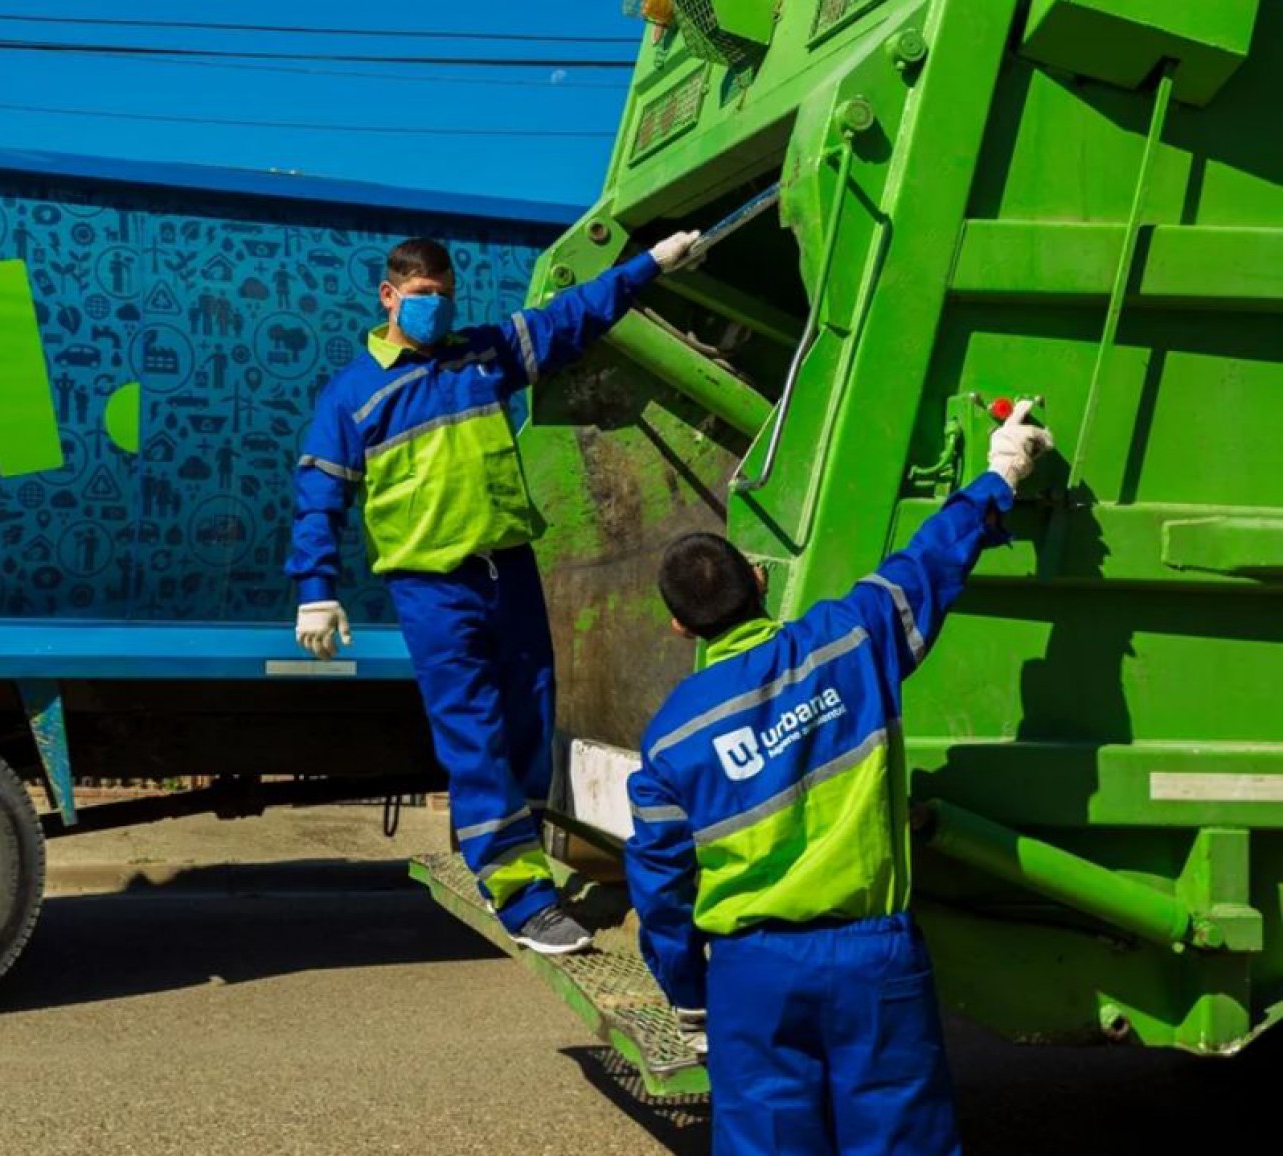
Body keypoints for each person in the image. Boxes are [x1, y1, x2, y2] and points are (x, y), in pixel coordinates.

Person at [624, 402, 1055, 1154]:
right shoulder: (851, 642)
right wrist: (1000, 474)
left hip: (753, 977)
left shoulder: (670, 741)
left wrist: (690, 992)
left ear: (680, 627)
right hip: (873, 962)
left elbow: (660, 885)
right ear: (759, 582)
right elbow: (930, 561)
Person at [286, 229, 701, 954]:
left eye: (445, 296)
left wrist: (649, 266)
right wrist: (315, 590)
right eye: (423, 296)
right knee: (474, 734)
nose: (437, 308)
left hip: (507, 571)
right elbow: (318, 497)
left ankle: (521, 854)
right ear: (389, 296)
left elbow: (570, 317)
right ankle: (519, 896)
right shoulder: (353, 395)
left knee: (531, 719)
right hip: (432, 591)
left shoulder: (482, 356)